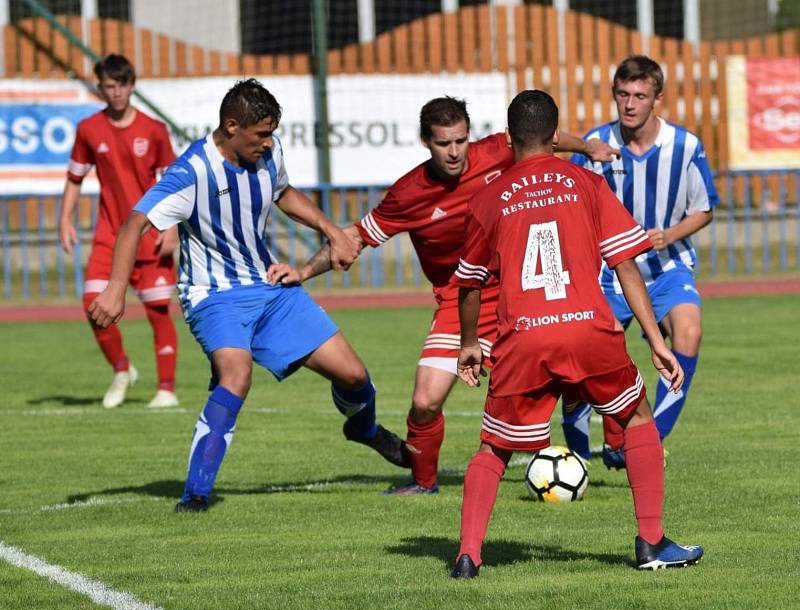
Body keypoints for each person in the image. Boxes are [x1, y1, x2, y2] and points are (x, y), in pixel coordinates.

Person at [267, 96, 618, 495]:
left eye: (460, 140)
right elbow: (355, 238)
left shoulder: (496, 151)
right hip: (458, 301)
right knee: (425, 401)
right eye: (443, 143)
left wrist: (588, 147)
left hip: (515, 291)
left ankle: (620, 440)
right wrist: (303, 272)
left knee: (578, 363)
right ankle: (423, 482)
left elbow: (543, 139)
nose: (454, 152)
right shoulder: (408, 193)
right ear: (425, 142)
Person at [88, 79, 409, 512]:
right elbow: (133, 225)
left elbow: (284, 192)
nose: (268, 142)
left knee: (353, 376)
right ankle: (196, 495)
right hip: (213, 296)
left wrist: (332, 231)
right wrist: (115, 289)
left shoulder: (268, 154)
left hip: (269, 288)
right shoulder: (192, 171)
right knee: (236, 375)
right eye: (260, 134)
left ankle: (365, 430)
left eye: (271, 133)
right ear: (231, 126)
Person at [450, 89, 703, 578]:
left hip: (522, 338)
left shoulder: (487, 198)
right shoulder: (584, 182)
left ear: (509, 138)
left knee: (494, 449)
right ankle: (651, 542)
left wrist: (468, 345)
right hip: (589, 329)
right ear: (555, 135)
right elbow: (625, 262)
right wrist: (654, 339)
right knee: (636, 416)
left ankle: (468, 554)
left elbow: (469, 284)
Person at [562, 55, 719, 468]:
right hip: (607, 274)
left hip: (668, 268)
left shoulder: (685, 146)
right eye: (623, 94)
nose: (630, 104)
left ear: (657, 99)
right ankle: (576, 457)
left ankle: (643, 443)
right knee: (584, 355)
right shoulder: (595, 143)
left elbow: (704, 209)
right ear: (614, 95)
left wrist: (670, 234)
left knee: (689, 331)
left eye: (640, 95)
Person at [59, 53, 180, 409]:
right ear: (100, 88)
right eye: (108, 86)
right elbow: (74, 177)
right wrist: (64, 219)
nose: (116, 92)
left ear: (132, 85)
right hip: (109, 236)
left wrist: (171, 229)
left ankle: (166, 390)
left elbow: (172, 184)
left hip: (150, 234)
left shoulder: (154, 130)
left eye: (122, 85)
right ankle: (122, 368)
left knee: (158, 311)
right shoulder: (88, 130)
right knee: (92, 305)